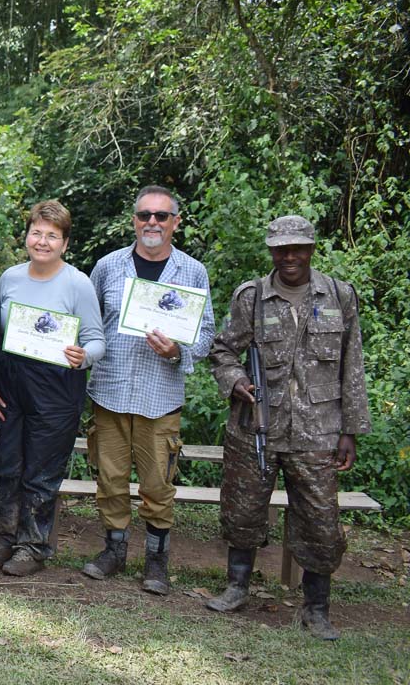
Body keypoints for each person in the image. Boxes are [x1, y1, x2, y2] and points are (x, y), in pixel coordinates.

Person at [205, 216, 370, 640]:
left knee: (320, 520)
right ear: (271, 252)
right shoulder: (252, 298)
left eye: (298, 248)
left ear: (312, 248)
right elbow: (222, 350)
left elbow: (352, 365)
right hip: (256, 425)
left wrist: (350, 429)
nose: (290, 256)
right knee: (242, 511)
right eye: (281, 249)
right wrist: (236, 380)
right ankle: (236, 587)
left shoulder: (338, 295)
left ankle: (316, 608)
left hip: (318, 432)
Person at [81, 185, 215, 595]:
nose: (152, 223)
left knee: (158, 485)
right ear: (134, 221)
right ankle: (114, 550)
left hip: (161, 396)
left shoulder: (192, 272)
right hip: (110, 391)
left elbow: (206, 333)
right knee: (111, 479)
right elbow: (88, 324)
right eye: (144, 216)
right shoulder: (107, 266)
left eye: (161, 216)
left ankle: (156, 561)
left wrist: (179, 351)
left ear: (175, 222)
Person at [0, 200, 106, 577]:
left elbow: (97, 340)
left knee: (41, 472)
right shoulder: (10, 278)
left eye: (52, 235)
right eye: (37, 232)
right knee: (6, 466)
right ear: (28, 236)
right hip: (10, 385)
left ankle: (32, 547)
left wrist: (82, 356)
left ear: (65, 243)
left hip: (57, 388)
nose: (43, 241)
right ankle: (4, 541)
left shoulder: (77, 283)